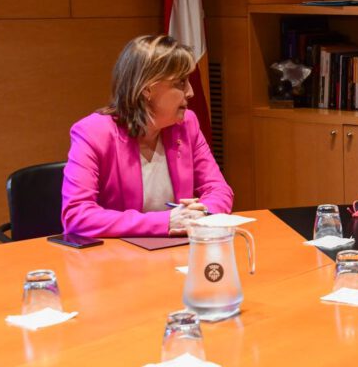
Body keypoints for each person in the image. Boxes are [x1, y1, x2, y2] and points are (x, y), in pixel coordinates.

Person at [62, 35, 233, 237]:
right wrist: (166, 221)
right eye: (180, 83)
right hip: (117, 258)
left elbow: (219, 189)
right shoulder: (93, 133)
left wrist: (202, 212)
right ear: (147, 89)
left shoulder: (187, 124)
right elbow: (77, 215)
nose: (190, 92)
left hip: (178, 251)